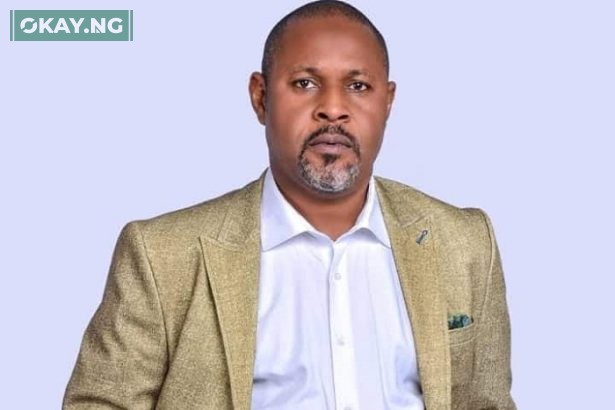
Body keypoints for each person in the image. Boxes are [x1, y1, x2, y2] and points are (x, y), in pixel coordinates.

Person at [63, 1, 516, 409]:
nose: (333, 109)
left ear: (388, 101)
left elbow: (488, 404)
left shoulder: (465, 242)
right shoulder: (162, 255)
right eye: (305, 83)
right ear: (260, 97)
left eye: (358, 86)